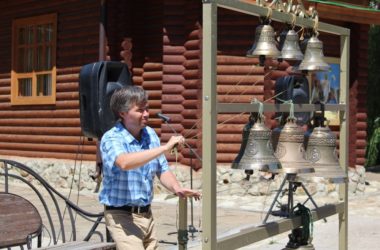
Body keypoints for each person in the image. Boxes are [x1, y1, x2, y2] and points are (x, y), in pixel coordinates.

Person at [99, 85, 201, 250]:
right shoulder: (111, 138)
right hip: (122, 216)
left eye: (147, 109)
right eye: (140, 110)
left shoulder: (150, 134)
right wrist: (164, 148)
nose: (146, 114)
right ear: (123, 113)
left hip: (147, 215)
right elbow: (124, 162)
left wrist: (177, 188)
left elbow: (162, 168)